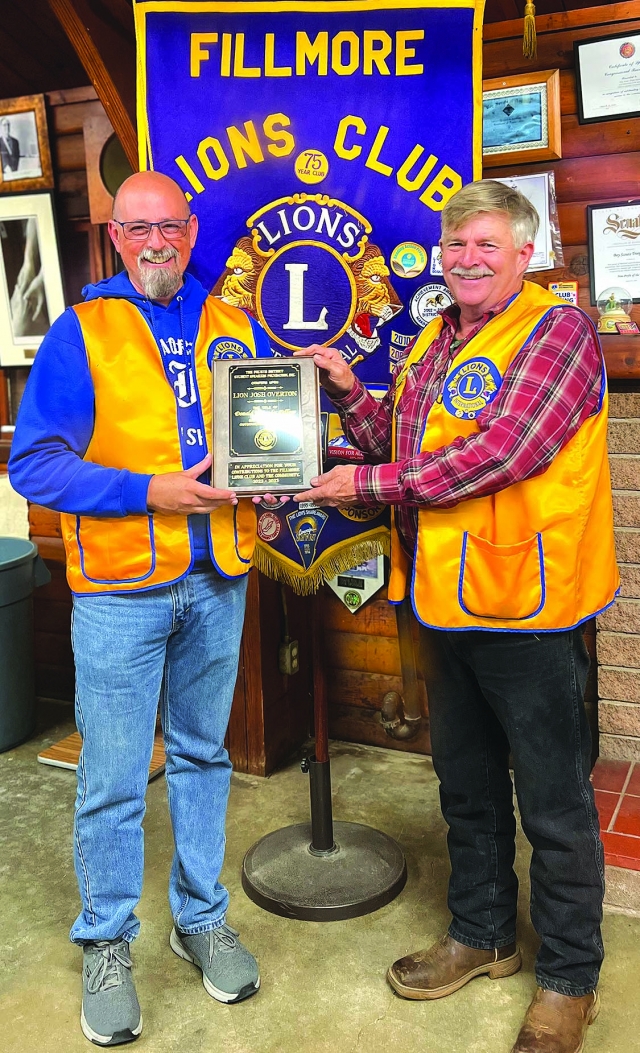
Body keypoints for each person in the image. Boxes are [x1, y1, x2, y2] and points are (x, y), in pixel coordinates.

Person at [293, 179, 618, 1053]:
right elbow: (405, 447)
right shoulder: (437, 338)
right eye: (456, 245)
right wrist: (350, 391)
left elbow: (503, 451)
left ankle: (569, 976)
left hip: (531, 607)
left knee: (553, 801)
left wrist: (360, 483)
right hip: (441, 598)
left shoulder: (558, 332)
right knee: (466, 787)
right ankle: (483, 935)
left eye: (486, 244)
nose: (467, 258)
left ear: (523, 252)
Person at [9, 171, 272, 1047]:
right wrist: (147, 489)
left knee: (203, 753)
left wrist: (266, 491)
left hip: (221, 574)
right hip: (122, 585)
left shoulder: (234, 324)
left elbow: (258, 445)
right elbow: (34, 465)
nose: (157, 242)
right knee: (115, 773)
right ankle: (107, 938)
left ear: (191, 232)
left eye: (171, 227)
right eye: (138, 228)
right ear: (113, 237)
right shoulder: (81, 330)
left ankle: (199, 917)